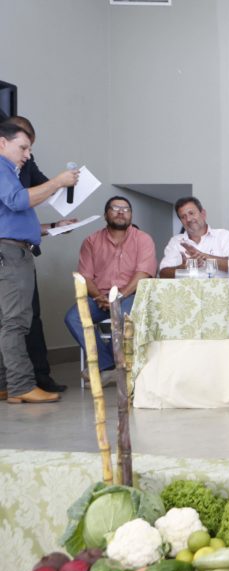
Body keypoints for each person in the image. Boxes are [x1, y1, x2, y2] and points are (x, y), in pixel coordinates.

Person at [0, 121, 78, 404]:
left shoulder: (9, 172)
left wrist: (53, 226)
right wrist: (58, 182)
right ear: (2, 143)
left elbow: (12, 221)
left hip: (10, 250)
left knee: (6, 321)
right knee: (16, 322)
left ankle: (6, 384)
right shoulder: (3, 169)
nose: (27, 155)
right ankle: (21, 386)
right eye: (23, 147)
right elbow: (18, 201)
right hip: (11, 255)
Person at [64, 196, 156, 377]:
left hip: (130, 295)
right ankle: (107, 365)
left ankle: (117, 367)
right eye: (115, 208)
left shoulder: (143, 239)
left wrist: (118, 297)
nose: (121, 212)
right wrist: (98, 296)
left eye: (126, 209)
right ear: (105, 215)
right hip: (100, 296)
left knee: (123, 314)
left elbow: (143, 273)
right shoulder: (91, 241)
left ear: (131, 215)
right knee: (73, 317)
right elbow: (85, 277)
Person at [158, 196, 229, 278]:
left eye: (191, 213)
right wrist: (183, 268)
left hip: (220, 287)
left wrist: (205, 257)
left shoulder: (225, 236)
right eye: (183, 217)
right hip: (188, 287)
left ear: (203, 214)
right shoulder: (176, 241)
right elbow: (163, 273)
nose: (188, 219)